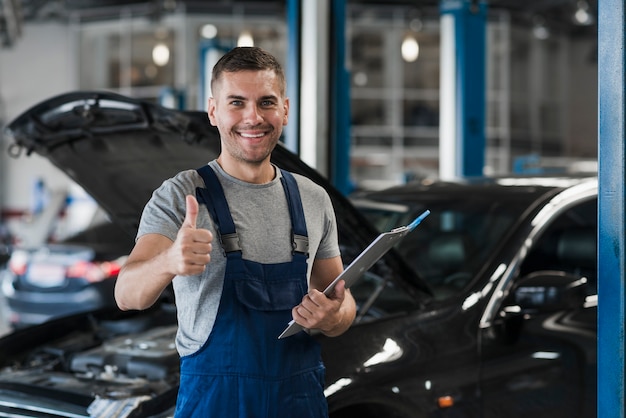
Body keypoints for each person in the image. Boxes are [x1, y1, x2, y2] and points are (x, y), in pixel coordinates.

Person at [114, 46, 356, 417]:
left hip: (298, 401)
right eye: (237, 103)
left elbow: (341, 298)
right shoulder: (181, 194)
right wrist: (169, 261)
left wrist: (332, 318)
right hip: (214, 402)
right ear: (213, 111)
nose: (253, 117)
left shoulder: (312, 198)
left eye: (266, 102)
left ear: (285, 110)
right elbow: (127, 295)